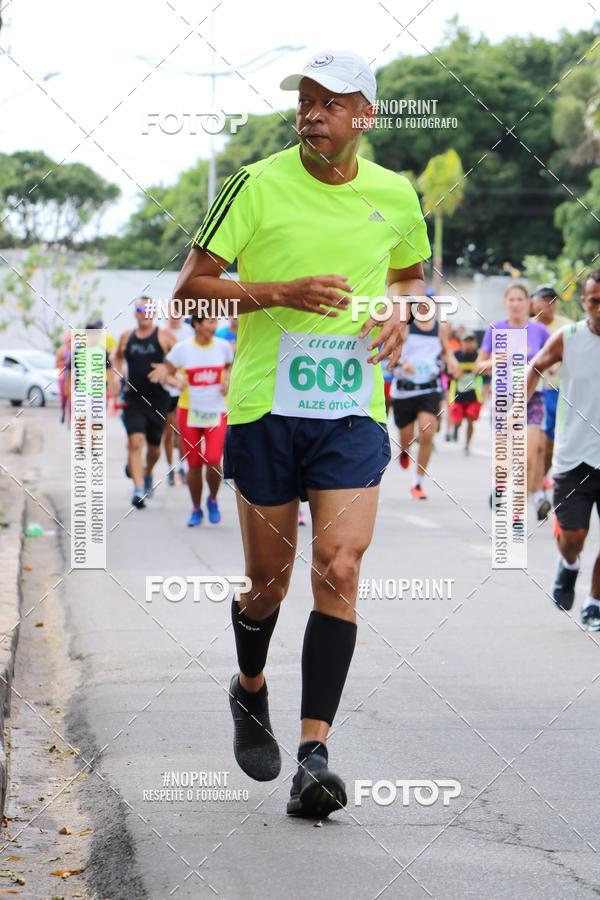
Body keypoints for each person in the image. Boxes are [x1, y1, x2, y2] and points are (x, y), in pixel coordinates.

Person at [171, 50, 431, 818]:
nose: (312, 114)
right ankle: (249, 686)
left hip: (352, 409)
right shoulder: (255, 184)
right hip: (266, 410)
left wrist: (399, 310)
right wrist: (280, 291)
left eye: (330, 102)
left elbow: (411, 277)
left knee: (340, 565)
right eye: (305, 101)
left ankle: (314, 756)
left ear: (365, 116)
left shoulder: (395, 193)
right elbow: (189, 292)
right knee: (268, 584)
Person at [526, 270, 600, 631]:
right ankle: (569, 565)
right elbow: (535, 366)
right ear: (583, 302)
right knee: (573, 538)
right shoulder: (567, 337)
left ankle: (594, 602)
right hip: (573, 458)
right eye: (594, 301)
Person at [476, 283, 550, 519]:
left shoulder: (539, 331)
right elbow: (478, 366)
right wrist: (495, 361)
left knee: (527, 458)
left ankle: (517, 513)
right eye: (512, 299)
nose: (516, 304)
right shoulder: (495, 329)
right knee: (505, 459)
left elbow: (555, 360)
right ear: (505, 303)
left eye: (520, 299)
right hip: (503, 400)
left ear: (529, 303)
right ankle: (500, 487)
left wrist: (549, 366)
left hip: (532, 399)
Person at [150, 315, 234, 526]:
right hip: (189, 413)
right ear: (196, 323)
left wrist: (227, 382)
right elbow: (166, 374)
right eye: (209, 322)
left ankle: (212, 499)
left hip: (216, 411)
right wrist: (175, 382)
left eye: (215, 322)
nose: (213, 326)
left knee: (213, 460)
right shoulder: (182, 349)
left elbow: (230, 369)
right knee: (194, 464)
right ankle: (196, 508)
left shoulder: (223, 347)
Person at [390, 301, 460, 499]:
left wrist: (452, 361)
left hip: (429, 388)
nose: (423, 308)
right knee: (406, 437)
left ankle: (417, 483)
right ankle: (404, 449)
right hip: (405, 389)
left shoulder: (440, 328)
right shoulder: (405, 325)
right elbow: (391, 350)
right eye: (419, 304)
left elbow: (446, 351)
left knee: (427, 432)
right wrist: (403, 363)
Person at [111, 298, 176, 509]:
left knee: (154, 449)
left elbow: (180, 361)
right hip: (133, 398)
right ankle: (138, 489)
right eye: (140, 309)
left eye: (149, 309)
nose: (144, 312)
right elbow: (117, 357)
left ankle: (147, 473)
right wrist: (116, 377)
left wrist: (169, 372)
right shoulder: (126, 336)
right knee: (135, 441)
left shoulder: (165, 336)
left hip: (158, 399)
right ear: (135, 313)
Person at [530, 284, 572, 486]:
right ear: (533, 302)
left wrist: (558, 363)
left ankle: (540, 480)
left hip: (559, 392)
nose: (548, 304)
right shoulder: (525, 327)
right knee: (533, 443)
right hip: (530, 392)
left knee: (550, 442)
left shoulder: (567, 327)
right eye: (543, 299)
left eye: (552, 300)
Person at [161, 306, 193, 486]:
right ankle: (170, 468)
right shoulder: (161, 332)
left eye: (177, 311)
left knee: (181, 432)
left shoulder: (189, 331)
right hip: (166, 390)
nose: (174, 315)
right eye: (171, 311)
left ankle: (182, 466)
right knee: (167, 432)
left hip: (184, 389)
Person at [448, 332, 483, 454]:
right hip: (458, 393)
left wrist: (479, 371)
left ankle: (467, 445)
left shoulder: (478, 356)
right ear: (461, 342)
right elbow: (447, 373)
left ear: (474, 343)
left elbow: (485, 373)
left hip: (473, 393)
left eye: (471, 341)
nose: (468, 344)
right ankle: (456, 427)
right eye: (466, 341)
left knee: (470, 418)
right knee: (457, 421)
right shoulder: (456, 356)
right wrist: (454, 375)